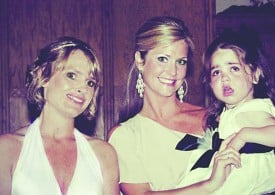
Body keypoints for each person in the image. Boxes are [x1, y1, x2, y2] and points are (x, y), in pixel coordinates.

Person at [108, 16, 241, 195]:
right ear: (140, 60)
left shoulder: (212, 117)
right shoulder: (124, 136)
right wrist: (210, 184)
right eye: (163, 59)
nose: (172, 72)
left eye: (181, 62)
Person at [176, 27, 275, 194]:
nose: (225, 77)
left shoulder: (252, 109)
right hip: (225, 170)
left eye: (234, 68)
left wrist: (243, 135)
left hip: (243, 176)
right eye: (216, 72)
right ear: (209, 83)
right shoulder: (232, 111)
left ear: (255, 75)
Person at [0, 36, 120, 195]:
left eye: (90, 82)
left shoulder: (103, 153)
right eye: (71, 75)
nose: (82, 88)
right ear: (44, 76)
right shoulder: (7, 149)